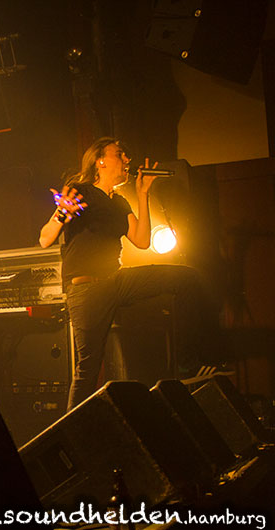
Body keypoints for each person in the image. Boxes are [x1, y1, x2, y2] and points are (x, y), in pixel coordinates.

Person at [39, 137, 214, 411]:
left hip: (117, 282)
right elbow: (45, 239)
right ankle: (73, 429)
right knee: (88, 370)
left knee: (185, 278)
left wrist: (143, 194)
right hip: (87, 290)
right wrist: (62, 214)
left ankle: (187, 364)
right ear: (100, 160)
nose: (127, 160)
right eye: (119, 154)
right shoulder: (80, 192)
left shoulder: (120, 202)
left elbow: (142, 240)